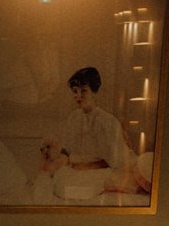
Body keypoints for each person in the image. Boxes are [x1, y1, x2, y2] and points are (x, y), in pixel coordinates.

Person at [39, 66, 147, 199]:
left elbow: (115, 159)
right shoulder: (73, 117)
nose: (78, 96)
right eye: (75, 91)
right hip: (75, 171)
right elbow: (67, 149)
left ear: (94, 92)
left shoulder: (107, 121)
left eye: (83, 91)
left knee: (78, 188)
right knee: (59, 185)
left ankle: (101, 188)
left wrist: (90, 166)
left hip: (100, 171)